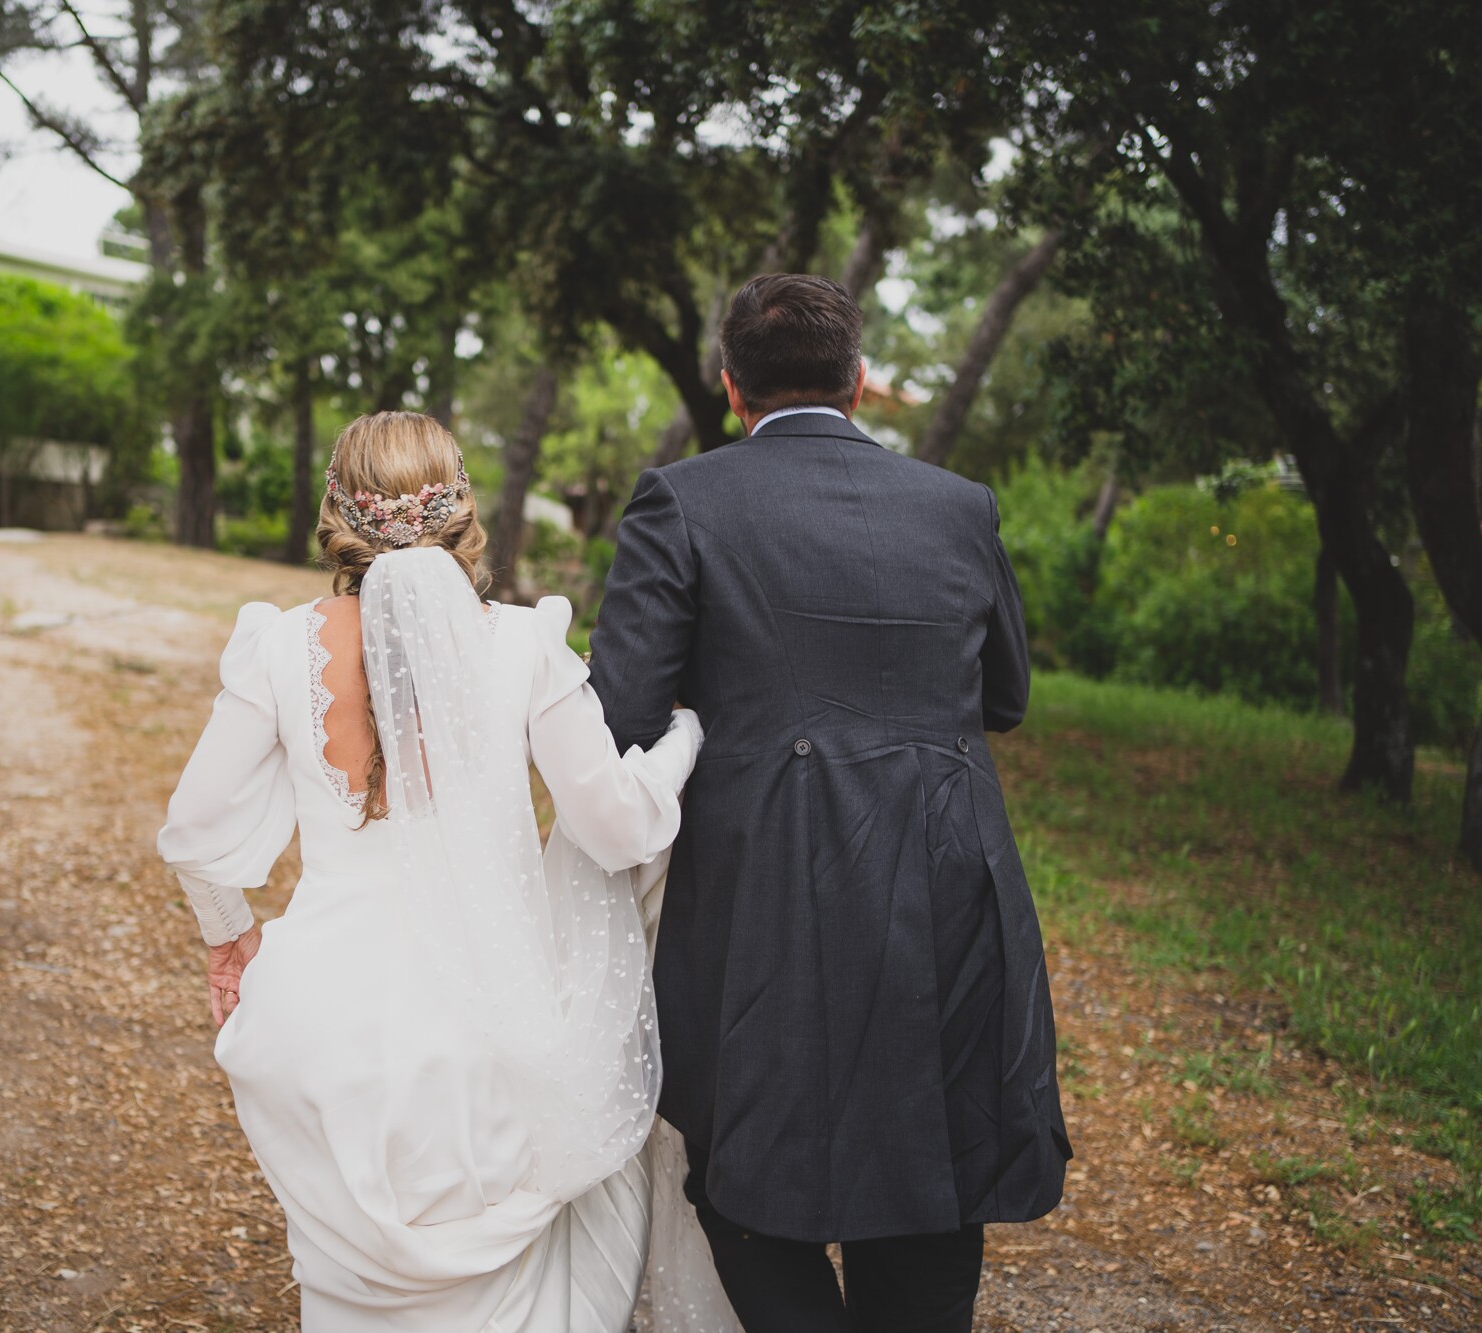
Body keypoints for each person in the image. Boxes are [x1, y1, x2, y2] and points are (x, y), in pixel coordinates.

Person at [591, 272, 1072, 1333]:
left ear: (729, 388)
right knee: (939, 1156)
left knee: (742, 1167)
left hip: (765, 880)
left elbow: (618, 713)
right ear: (857, 382)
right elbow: (1005, 696)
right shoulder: (960, 507)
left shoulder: (681, 499)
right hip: (949, 873)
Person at [157, 411, 704, 1331]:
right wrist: (685, 738)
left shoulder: (279, 647)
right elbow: (615, 827)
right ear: (460, 514)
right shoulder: (526, 644)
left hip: (322, 1026)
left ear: (338, 514)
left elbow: (193, 829)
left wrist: (231, 937)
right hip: (486, 1025)